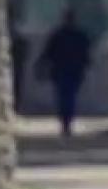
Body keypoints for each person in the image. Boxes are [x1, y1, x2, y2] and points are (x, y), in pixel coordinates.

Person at [38, 8, 92, 137]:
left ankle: (65, 121)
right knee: (70, 96)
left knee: (63, 96)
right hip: (73, 70)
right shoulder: (79, 35)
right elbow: (86, 53)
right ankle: (67, 121)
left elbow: (48, 52)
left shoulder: (58, 35)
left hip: (61, 70)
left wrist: (42, 64)